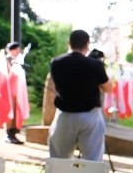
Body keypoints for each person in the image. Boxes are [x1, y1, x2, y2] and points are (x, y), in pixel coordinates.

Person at [48, 30, 113, 161]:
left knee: (59, 159)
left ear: (69, 43)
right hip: (90, 115)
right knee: (92, 160)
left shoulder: (56, 62)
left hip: (64, 114)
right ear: (87, 44)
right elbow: (108, 88)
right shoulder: (95, 64)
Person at [0, 41, 26, 144]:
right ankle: (8, 133)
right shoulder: (5, 60)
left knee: (15, 113)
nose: (19, 51)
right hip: (8, 93)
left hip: (16, 92)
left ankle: (13, 133)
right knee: (9, 114)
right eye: (17, 49)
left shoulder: (16, 61)